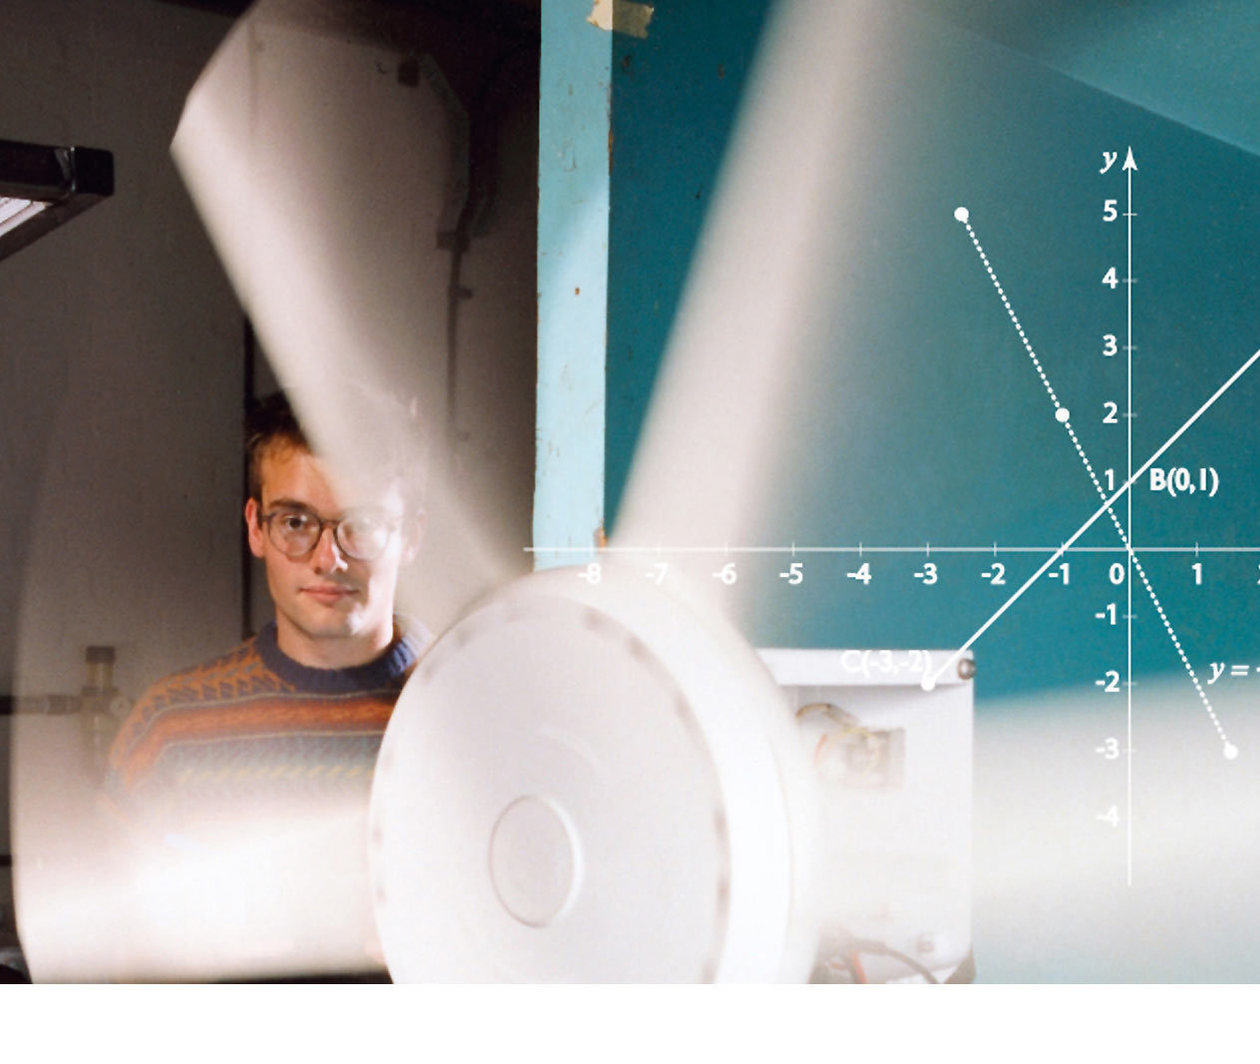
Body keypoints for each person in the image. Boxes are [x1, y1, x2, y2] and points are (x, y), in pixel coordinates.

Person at [107, 391, 428, 813]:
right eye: (295, 522)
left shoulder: (469, 707)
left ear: (411, 537)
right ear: (256, 529)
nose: (327, 558)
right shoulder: (169, 728)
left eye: (363, 524)